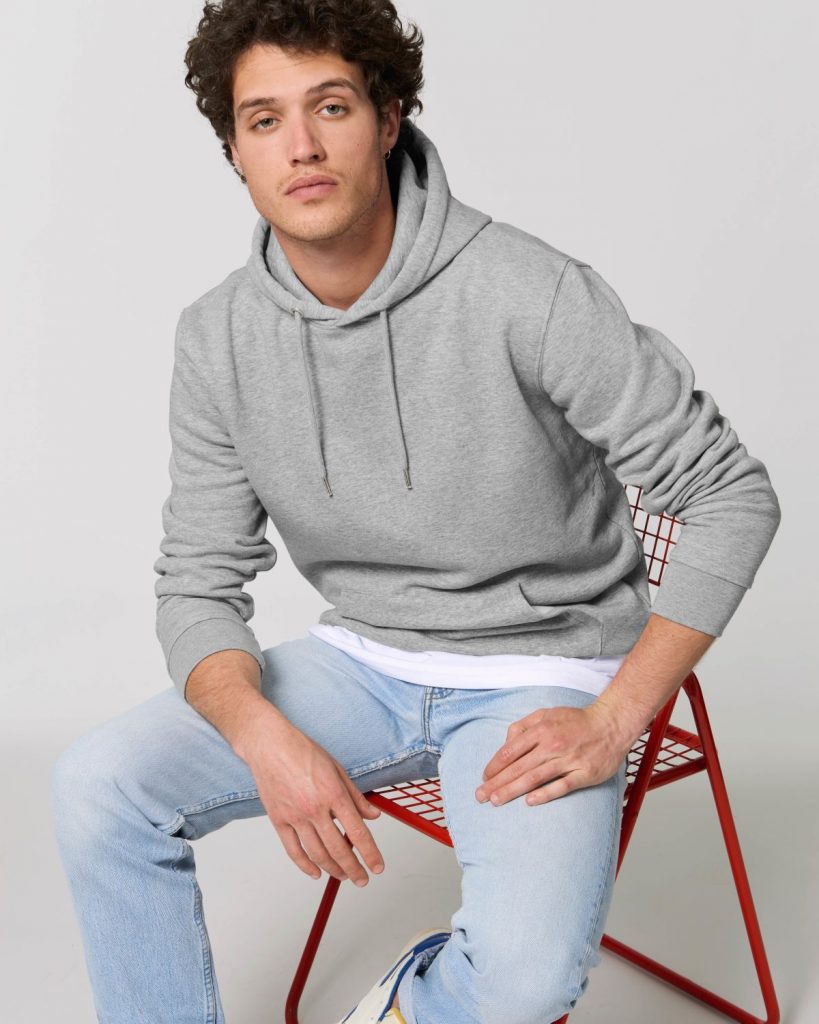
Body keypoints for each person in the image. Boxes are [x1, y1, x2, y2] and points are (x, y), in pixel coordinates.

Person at [50, 1, 782, 1022]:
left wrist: (615, 718)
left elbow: (732, 495)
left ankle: (406, 1003)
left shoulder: (528, 291)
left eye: (331, 107)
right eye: (264, 120)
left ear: (388, 119)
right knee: (98, 785)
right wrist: (264, 737)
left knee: (526, 979)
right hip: (362, 662)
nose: (302, 147)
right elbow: (196, 579)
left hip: (542, 671)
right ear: (235, 153)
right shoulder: (218, 337)